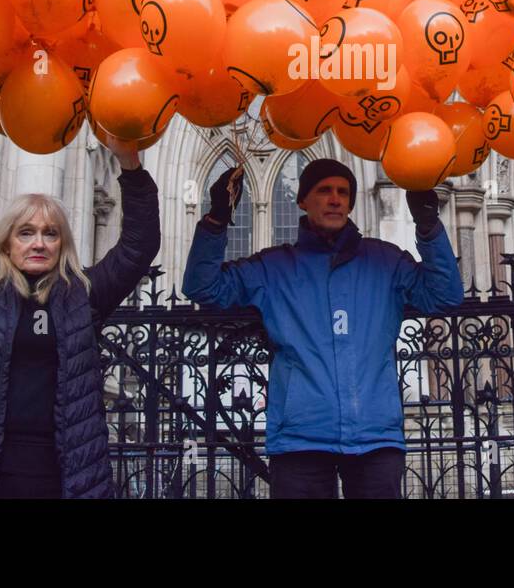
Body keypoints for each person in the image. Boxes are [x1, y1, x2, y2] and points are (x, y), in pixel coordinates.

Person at [0, 86, 160, 498]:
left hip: (63, 473)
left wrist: (128, 161)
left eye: (50, 233)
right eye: (26, 233)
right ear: (6, 241)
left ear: (63, 243)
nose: (39, 243)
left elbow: (139, 245)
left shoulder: (83, 296)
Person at [182, 158, 463, 499]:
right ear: (302, 200)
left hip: (374, 437)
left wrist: (428, 224)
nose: (335, 199)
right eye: (324, 190)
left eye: (343, 192)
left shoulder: (385, 261)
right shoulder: (274, 268)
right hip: (302, 439)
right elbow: (203, 288)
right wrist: (216, 221)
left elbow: (445, 296)